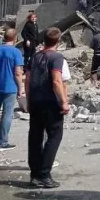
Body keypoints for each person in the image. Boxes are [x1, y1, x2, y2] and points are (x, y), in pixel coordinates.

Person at [25, 27, 68, 189]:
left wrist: (28, 100)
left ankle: (35, 174)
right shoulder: (57, 57)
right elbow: (57, 81)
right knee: (54, 137)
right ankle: (44, 174)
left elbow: (27, 80)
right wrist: (63, 101)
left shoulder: (35, 57)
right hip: (50, 103)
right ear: (58, 41)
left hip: (35, 102)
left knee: (35, 138)